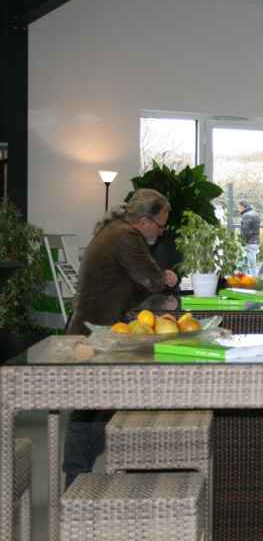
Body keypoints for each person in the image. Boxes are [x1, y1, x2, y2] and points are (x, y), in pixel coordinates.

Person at [63, 189, 179, 486]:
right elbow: (150, 280)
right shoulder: (127, 237)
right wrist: (165, 279)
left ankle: (77, 481)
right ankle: (75, 482)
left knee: (92, 409)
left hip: (89, 330)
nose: (162, 232)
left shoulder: (115, 230)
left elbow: (125, 283)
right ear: (145, 220)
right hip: (96, 335)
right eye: (161, 225)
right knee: (89, 411)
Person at [238, 200, 261, 275]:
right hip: (255, 241)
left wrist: (242, 242)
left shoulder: (246, 215)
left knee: (248, 263)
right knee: (250, 262)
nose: (238, 209)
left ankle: (252, 278)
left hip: (248, 242)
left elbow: (245, 231)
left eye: (239, 207)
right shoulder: (256, 214)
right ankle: (249, 277)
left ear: (242, 206)